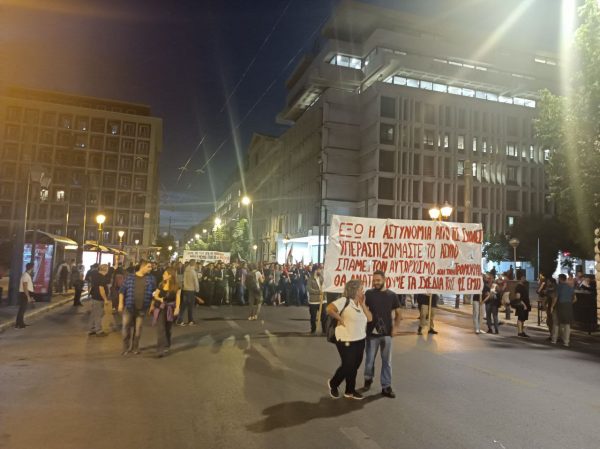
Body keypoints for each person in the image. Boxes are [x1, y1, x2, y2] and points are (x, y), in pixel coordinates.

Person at [326, 279, 372, 400]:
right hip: (345, 338)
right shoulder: (344, 301)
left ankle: (349, 391)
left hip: (360, 339)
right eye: (361, 289)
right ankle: (333, 383)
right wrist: (340, 319)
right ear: (355, 291)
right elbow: (329, 309)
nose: (363, 291)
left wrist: (363, 304)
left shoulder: (361, 304)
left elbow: (370, 318)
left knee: (355, 365)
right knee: (348, 365)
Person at [362, 270, 402, 398]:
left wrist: (396, 328)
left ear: (384, 280)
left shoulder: (392, 295)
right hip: (371, 335)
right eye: (374, 280)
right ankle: (368, 378)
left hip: (387, 334)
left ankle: (386, 386)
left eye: (378, 280)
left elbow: (399, 313)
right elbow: (363, 309)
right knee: (369, 361)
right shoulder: (368, 294)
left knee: (387, 362)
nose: (376, 282)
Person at [118, 260, 156, 355]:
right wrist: (120, 304)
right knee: (126, 327)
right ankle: (125, 348)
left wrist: (152, 304)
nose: (150, 269)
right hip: (129, 307)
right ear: (142, 267)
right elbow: (122, 291)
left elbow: (154, 293)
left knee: (138, 329)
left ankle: (135, 347)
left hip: (142, 308)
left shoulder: (151, 279)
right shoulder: (130, 277)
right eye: (149, 267)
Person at [151, 267, 181, 357]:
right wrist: (159, 299)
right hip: (161, 308)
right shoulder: (161, 284)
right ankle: (160, 350)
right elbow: (156, 295)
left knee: (168, 328)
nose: (163, 275)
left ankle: (167, 343)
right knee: (161, 329)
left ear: (170, 276)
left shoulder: (177, 286)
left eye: (165, 274)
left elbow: (178, 297)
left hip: (170, 308)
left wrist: (177, 308)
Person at [551, 274, 576, 347]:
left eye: (558, 278)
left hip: (560, 306)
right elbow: (575, 299)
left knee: (556, 323)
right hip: (568, 306)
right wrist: (569, 303)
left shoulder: (559, 287)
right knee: (567, 325)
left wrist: (552, 306)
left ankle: (554, 340)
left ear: (560, 279)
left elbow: (555, 298)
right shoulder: (570, 287)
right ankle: (566, 342)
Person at [88, 264, 109, 337]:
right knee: (98, 315)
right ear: (105, 270)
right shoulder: (102, 277)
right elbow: (101, 289)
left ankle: (92, 329)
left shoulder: (95, 276)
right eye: (107, 269)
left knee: (94, 314)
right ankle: (99, 331)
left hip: (94, 297)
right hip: (99, 298)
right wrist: (105, 299)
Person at [178, 259, 199, 326]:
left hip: (185, 290)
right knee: (190, 306)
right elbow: (196, 282)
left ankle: (180, 320)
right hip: (191, 290)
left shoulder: (185, 271)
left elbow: (182, 280)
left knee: (183, 306)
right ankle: (190, 320)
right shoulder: (193, 272)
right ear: (194, 264)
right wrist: (197, 290)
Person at [307, 264, 326, 334]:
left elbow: (325, 286)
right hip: (313, 301)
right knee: (313, 317)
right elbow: (309, 289)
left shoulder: (322, 278)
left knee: (324, 316)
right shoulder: (310, 279)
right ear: (315, 270)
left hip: (322, 300)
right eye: (319, 269)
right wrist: (318, 292)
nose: (320, 271)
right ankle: (313, 330)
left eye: (320, 269)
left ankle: (324, 330)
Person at [15, 262, 35, 329]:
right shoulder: (26, 275)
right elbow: (25, 286)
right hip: (24, 294)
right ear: (31, 268)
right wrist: (28, 296)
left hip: (24, 294)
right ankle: (19, 325)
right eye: (33, 267)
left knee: (22, 310)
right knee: (22, 310)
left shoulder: (26, 275)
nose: (33, 269)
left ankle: (21, 323)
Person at [514, 273, 531, 337]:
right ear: (521, 278)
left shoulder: (523, 286)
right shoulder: (518, 287)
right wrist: (524, 305)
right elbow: (518, 297)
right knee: (520, 318)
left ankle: (522, 331)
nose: (525, 279)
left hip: (525, 304)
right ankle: (520, 332)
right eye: (523, 277)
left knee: (523, 318)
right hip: (521, 305)